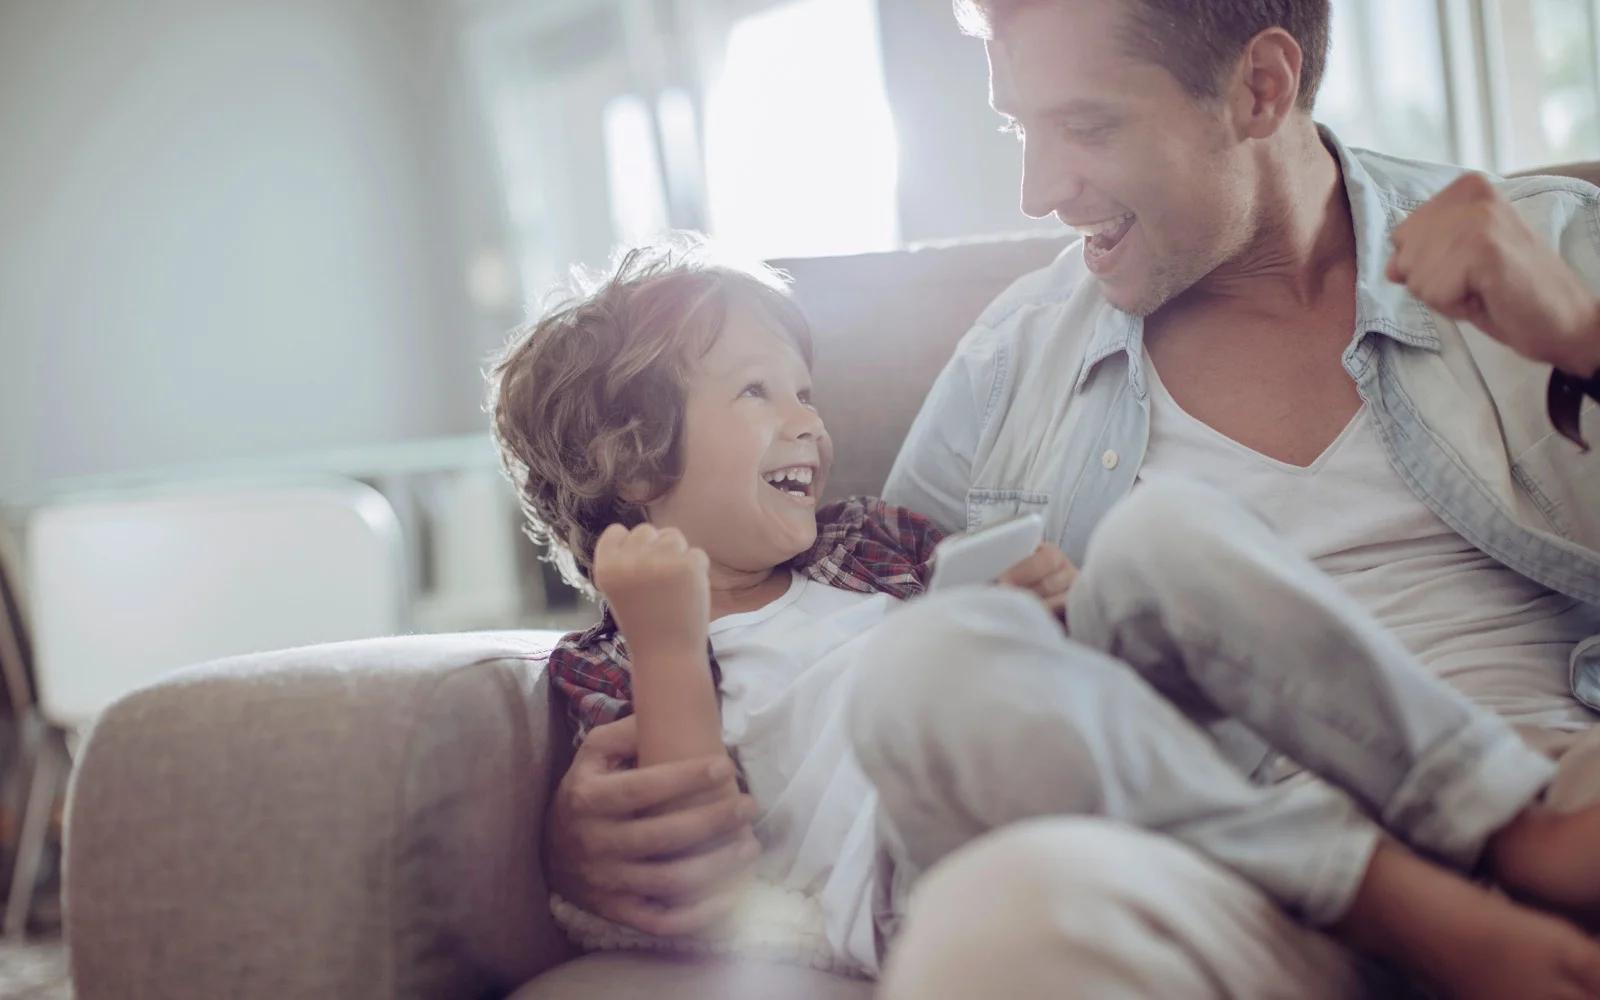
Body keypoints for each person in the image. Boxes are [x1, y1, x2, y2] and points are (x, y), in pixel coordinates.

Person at [489, 238, 1600, 996]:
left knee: (1160, 529)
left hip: (1112, 766)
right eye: (756, 393)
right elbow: (700, 870)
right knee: (925, 663)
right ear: (630, 459)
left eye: (807, 392)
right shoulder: (616, 657)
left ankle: (1498, 812)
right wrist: (666, 636)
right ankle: (1386, 898)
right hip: (919, 856)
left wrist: (1037, 609)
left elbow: (1006, 651)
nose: (809, 425)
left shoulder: (867, 539)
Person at [862, 0, 1600, 996]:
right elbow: (859, 676)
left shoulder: (1546, 245)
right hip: (1234, 869)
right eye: (1016, 127)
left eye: (1084, 127)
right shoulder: (1009, 366)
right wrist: (599, 806)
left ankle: (1510, 836)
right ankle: (1406, 906)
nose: (1038, 190)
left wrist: (1586, 342)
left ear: (1260, 87)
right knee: (990, 923)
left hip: (1572, 801)